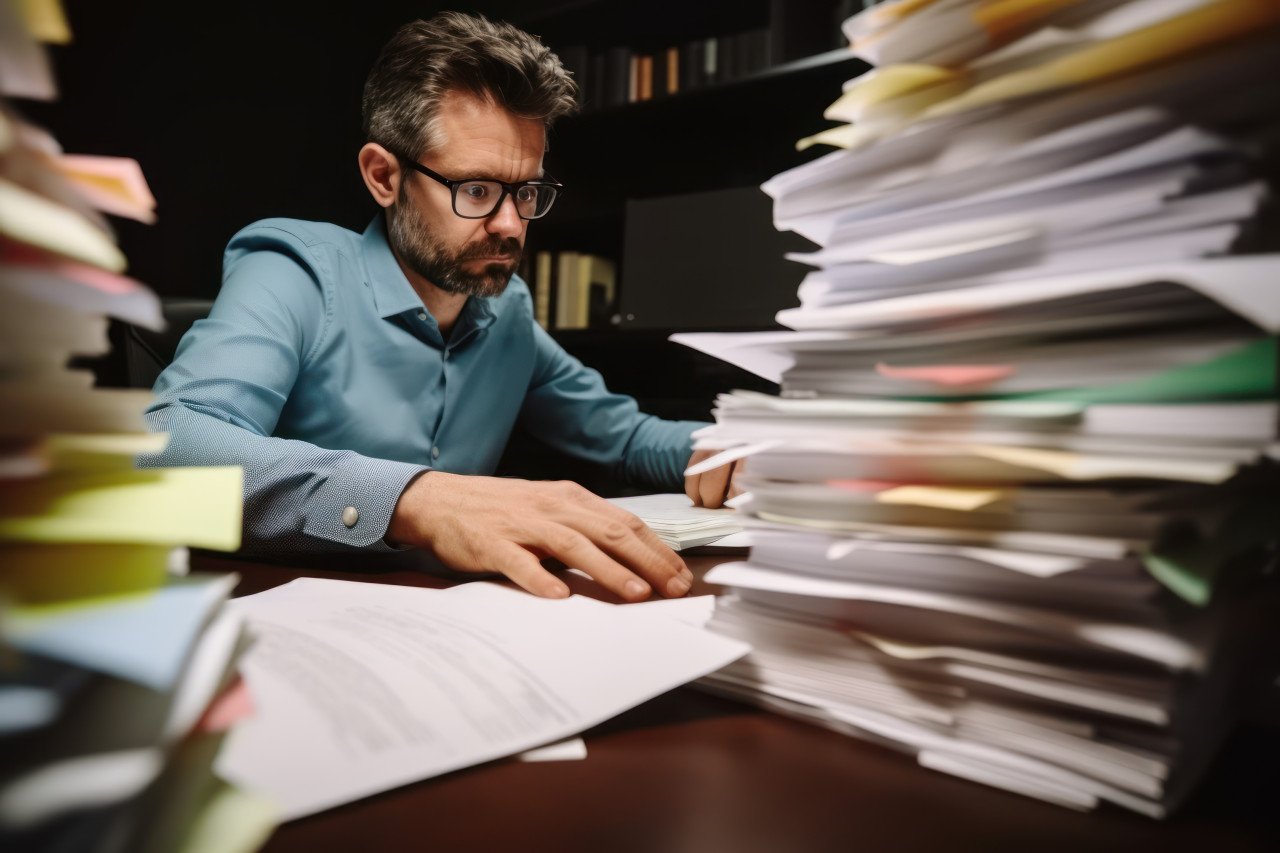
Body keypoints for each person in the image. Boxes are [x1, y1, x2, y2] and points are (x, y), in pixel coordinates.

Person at [143, 11, 739, 602]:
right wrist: (418, 499)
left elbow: (629, 437)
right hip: (293, 622)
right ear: (384, 177)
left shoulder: (507, 311)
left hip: (467, 622)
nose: (511, 225)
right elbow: (163, 445)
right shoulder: (295, 271)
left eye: (526, 191)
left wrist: (734, 454)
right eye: (476, 190)